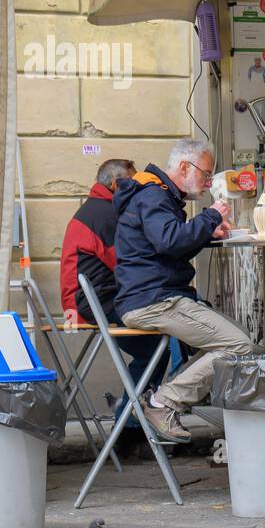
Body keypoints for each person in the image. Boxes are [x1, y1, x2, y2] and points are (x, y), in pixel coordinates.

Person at [113, 139, 255, 443]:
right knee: (239, 344)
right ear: (183, 167)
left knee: (234, 338)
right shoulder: (153, 196)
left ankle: (165, 399)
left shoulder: (156, 195)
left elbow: (165, 244)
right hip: (154, 300)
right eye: (206, 175)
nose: (206, 184)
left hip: (152, 296)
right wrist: (210, 216)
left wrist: (206, 234)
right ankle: (164, 401)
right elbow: (169, 241)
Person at [58, 159, 165, 433]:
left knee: (158, 345)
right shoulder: (104, 215)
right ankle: (129, 425)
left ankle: (131, 417)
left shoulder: (99, 209)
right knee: (159, 347)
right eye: (132, 183)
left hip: (93, 300)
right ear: (117, 185)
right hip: (91, 304)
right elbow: (129, 263)